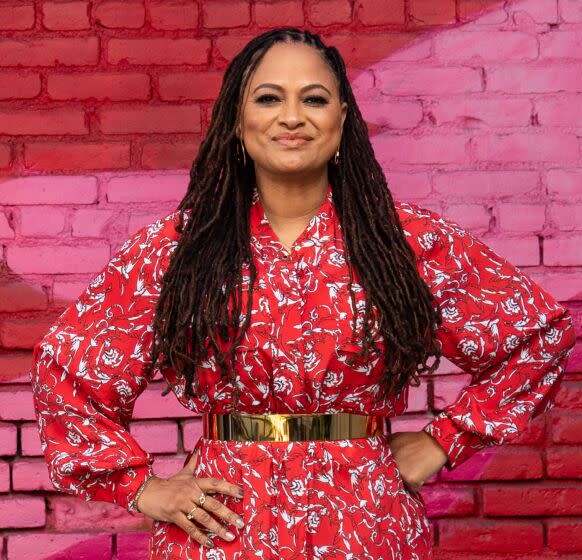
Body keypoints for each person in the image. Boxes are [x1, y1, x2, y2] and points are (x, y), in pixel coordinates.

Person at [29, 27, 576, 560]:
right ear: (238, 122)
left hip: (366, 526)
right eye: (269, 98)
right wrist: (142, 487)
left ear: (341, 120)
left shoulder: (403, 243)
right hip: (224, 531)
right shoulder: (180, 250)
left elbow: (538, 335)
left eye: (313, 99)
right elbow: (67, 369)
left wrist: (442, 441)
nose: (292, 117)